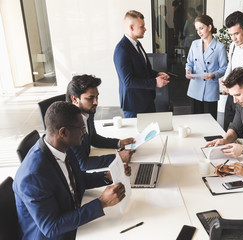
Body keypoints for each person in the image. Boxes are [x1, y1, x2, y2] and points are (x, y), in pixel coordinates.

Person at [13, 101, 130, 239]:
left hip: (72, 219)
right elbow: (51, 227)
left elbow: (77, 178)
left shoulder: (62, 147)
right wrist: (101, 203)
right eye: (81, 128)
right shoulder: (33, 176)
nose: (85, 133)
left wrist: (109, 175)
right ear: (63, 132)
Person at [66, 74, 134, 171]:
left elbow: (93, 138)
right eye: (90, 98)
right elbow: (83, 164)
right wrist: (118, 157)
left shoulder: (88, 112)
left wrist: (119, 143)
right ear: (75, 99)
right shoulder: (69, 124)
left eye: (97, 97)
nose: (96, 102)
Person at [114, 10, 170, 118]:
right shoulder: (121, 49)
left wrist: (156, 74)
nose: (145, 29)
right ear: (131, 27)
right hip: (134, 105)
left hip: (147, 100)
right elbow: (128, 81)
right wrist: (154, 82)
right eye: (142, 26)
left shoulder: (137, 44)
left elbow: (142, 70)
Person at [185, 14, 228, 120]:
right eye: (197, 29)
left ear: (209, 27)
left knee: (210, 122)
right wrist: (188, 71)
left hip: (210, 89)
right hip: (195, 87)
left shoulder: (219, 47)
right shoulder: (194, 44)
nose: (199, 32)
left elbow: (224, 68)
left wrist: (213, 74)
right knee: (195, 121)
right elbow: (189, 62)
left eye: (201, 28)